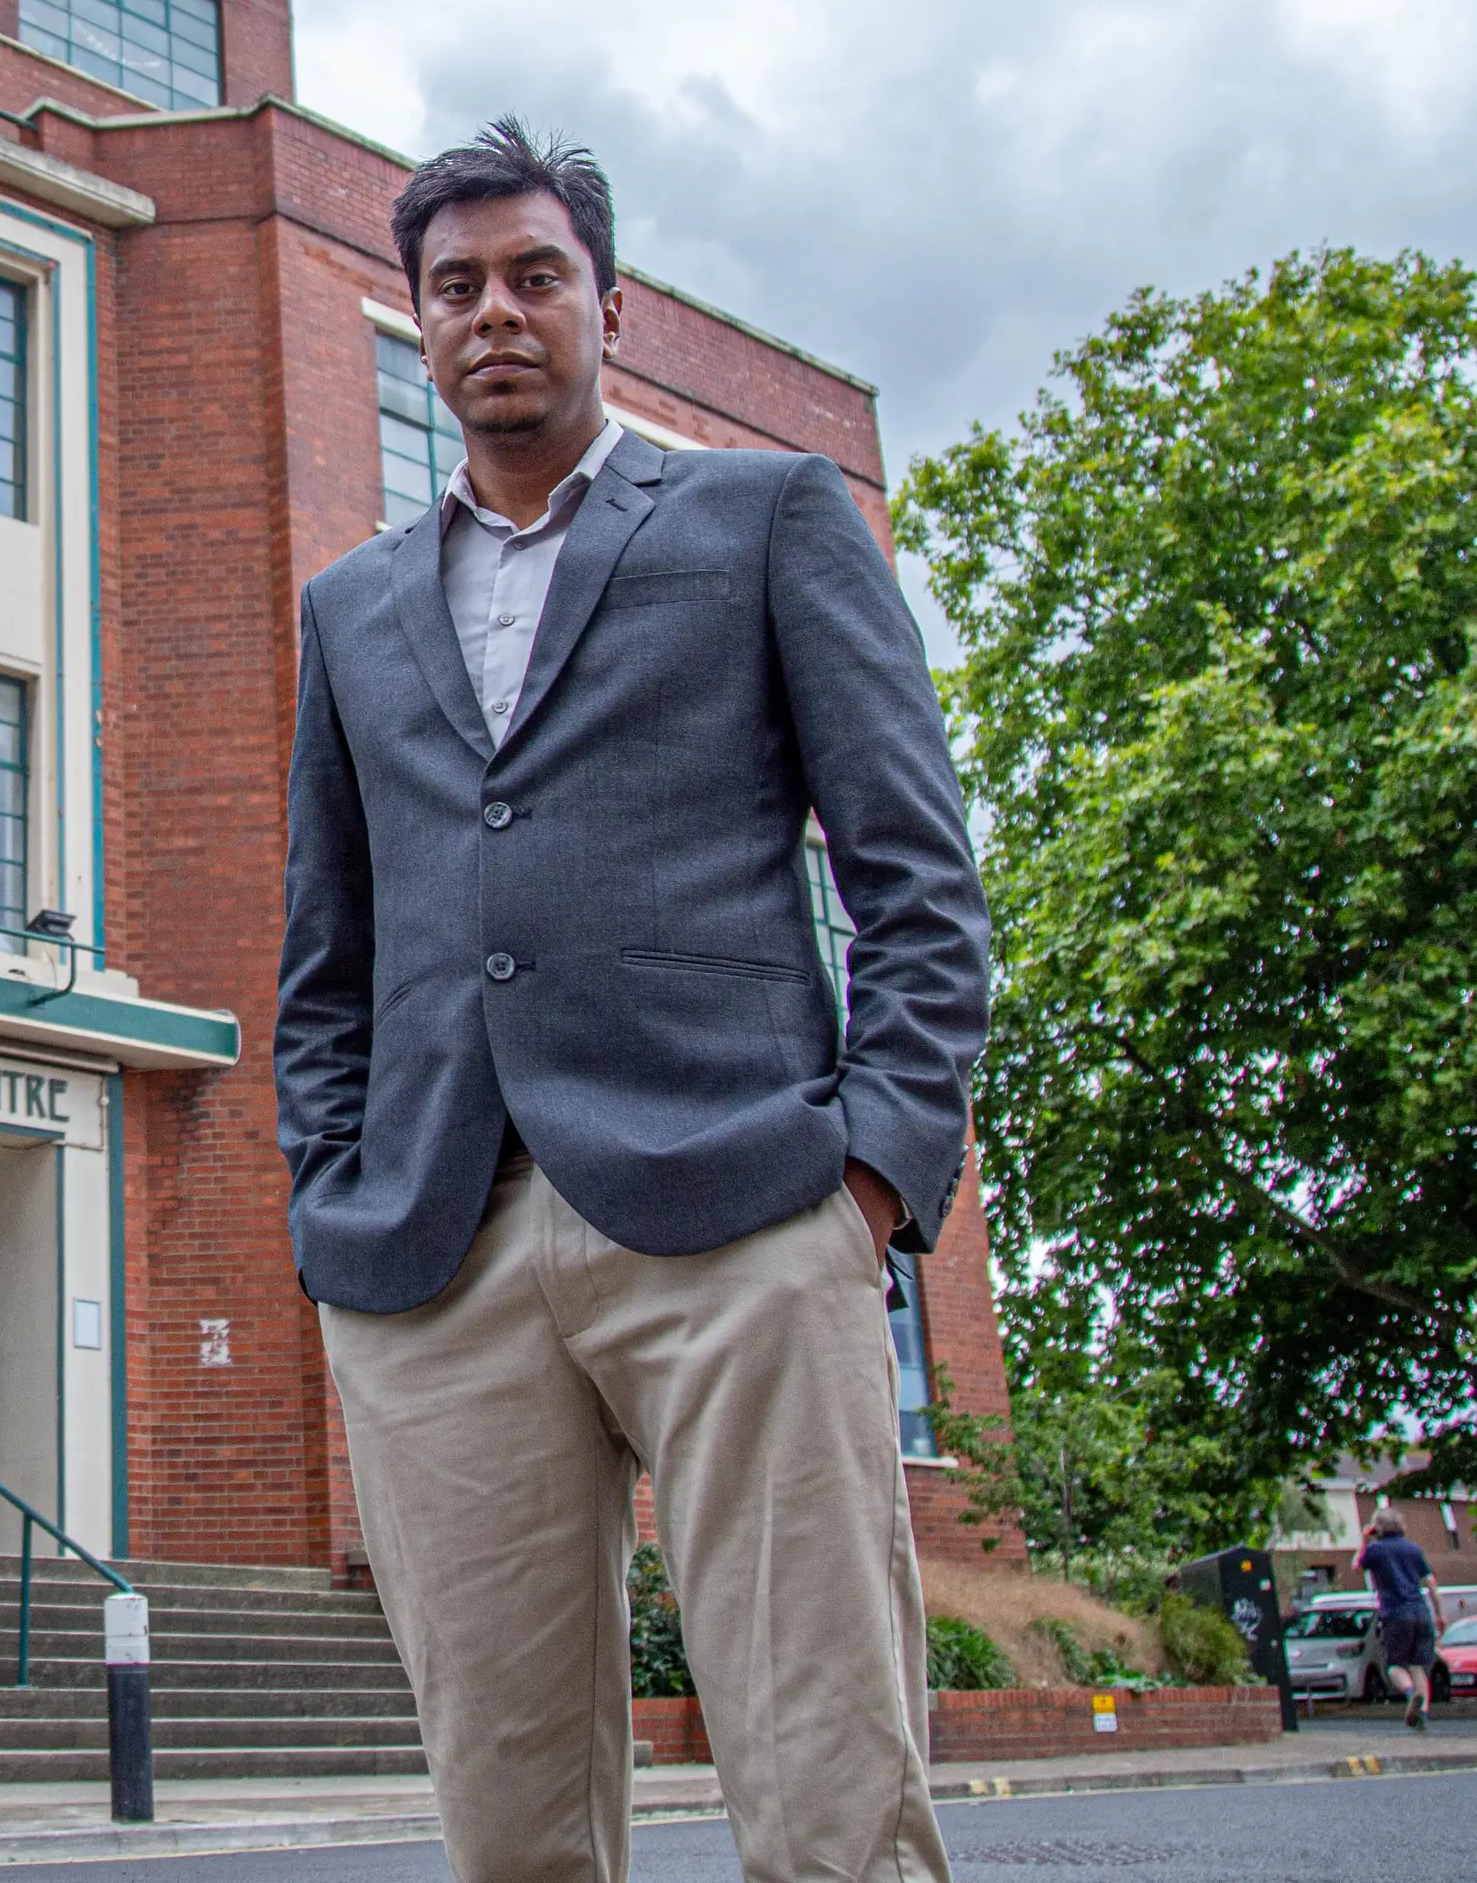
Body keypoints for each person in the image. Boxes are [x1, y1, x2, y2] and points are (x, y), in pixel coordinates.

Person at [280, 119, 992, 1883]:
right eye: (458, 288)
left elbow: (913, 872)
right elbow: (330, 953)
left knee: (830, 1792)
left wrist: (875, 1179)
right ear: (419, 321)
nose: (495, 314)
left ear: (613, 304)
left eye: (536, 277)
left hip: (746, 1213)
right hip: (436, 1250)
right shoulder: (352, 608)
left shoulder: (768, 519)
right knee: (509, 1826)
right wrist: (327, 1190)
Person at [1360, 1507, 1437, 1729]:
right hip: (1421, 1612)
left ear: (1378, 1527)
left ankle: (1411, 1693)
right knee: (1417, 1666)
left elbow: (1357, 1565)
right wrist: (1440, 1614)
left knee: (1394, 1665)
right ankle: (1422, 1714)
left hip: (1395, 1614)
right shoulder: (1413, 1549)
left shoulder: (1376, 1550)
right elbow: (1431, 1582)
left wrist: (1364, 1539)